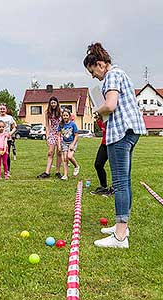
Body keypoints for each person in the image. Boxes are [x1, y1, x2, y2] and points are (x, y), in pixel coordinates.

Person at [83, 42, 146, 248]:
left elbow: (110, 105)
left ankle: (120, 237)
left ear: (100, 64)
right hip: (131, 131)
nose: (95, 76)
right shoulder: (120, 73)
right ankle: (122, 226)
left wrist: (97, 111)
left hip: (120, 133)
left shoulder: (111, 75)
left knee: (119, 183)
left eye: (93, 72)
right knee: (125, 181)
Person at [37, 97, 62, 179]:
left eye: (54, 103)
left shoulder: (60, 111)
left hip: (60, 133)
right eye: (52, 103)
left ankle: (58, 172)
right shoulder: (47, 112)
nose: (53, 104)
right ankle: (47, 172)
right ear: (50, 104)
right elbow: (47, 125)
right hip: (52, 132)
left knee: (59, 152)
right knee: (50, 152)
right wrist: (47, 136)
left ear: (57, 103)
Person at [0, 103, 16, 176]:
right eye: (1, 109)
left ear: (6, 109)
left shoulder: (10, 118)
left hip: (7, 139)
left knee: (6, 155)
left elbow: (14, 127)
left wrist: (10, 133)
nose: (2, 110)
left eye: (3, 109)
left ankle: (7, 171)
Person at [90, 118, 114, 197]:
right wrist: (99, 118)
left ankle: (115, 188)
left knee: (115, 167)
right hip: (104, 143)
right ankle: (104, 187)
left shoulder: (112, 117)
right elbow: (102, 128)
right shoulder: (100, 119)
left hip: (114, 143)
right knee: (98, 164)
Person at [57, 108, 80, 180]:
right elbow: (58, 135)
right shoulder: (61, 125)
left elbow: (76, 136)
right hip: (64, 143)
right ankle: (65, 175)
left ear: (69, 116)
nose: (65, 117)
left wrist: (73, 144)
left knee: (69, 156)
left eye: (66, 115)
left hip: (72, 142)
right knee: (64, 159)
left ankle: (76, 166)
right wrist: (59, 145)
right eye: (64, 115)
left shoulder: (73, 124)